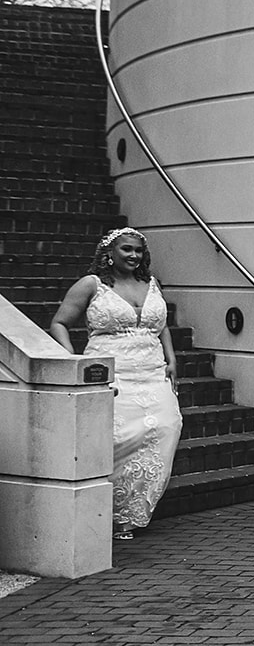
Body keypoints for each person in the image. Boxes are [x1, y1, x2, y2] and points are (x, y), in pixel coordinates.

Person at [49, 228, 182, 540]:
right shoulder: (91, 284)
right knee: (117, 437)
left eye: (138, 250)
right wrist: (73, 360)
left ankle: (131, 514)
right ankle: (100, 511)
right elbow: (59, 323)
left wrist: (172, 359)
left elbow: (161, 327)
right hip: (113, 373)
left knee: (167, 428)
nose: (134, 255)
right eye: (127, 249)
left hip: (153, 372)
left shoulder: (151, 284)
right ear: (109, 253)